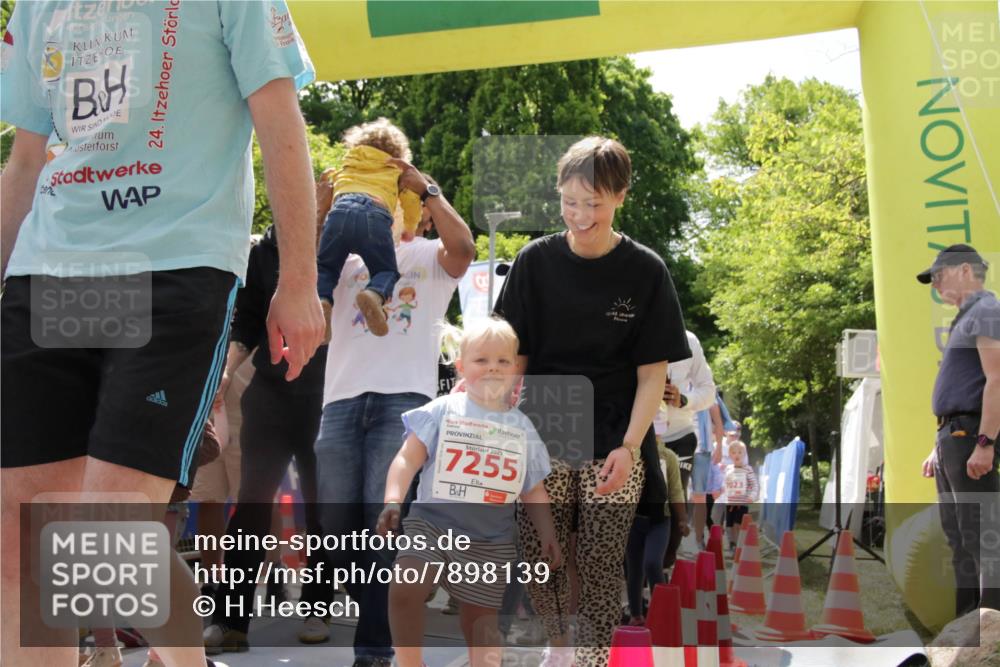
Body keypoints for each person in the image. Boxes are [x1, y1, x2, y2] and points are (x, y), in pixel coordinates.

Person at [0, 2, 324, 666]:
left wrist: (297, 280)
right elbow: (26, 159)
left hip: (175, 266)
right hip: (51, 271)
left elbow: (280, 119)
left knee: (101, 541)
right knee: (21, 541)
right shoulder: (41, 6)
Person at [495, 136, 690, 667]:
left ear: (621, 196)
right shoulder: (533, 263)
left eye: (594, 204)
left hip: (615, 433)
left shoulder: (646, 271)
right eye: (570, 202)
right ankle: (559, 648)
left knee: (602, 559)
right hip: (545, 423)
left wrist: (630, 447)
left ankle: (592, 659)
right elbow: (513, 355)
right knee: (543, 551)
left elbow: (653, 375)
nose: (580, 216)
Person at [314, 165, 475, 667]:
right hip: (339, 401)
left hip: (403, 404)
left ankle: (375, 650)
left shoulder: (427, 254)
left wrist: (426, 188)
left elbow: (465, 249)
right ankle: (379, 626)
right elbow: (302, 261)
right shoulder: (345, 254)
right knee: (336, 528)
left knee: (381, 521)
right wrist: (324, 201)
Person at [377, 318, 562, 667]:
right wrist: (392, 499)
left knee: (481, 622)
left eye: (503, 361)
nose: (492, 367)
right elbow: (406, 459)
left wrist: (548, 533)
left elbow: (533, 489)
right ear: (461, 366)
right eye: (481, 360)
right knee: (405, 587)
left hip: (490, 540)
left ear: (515, 371)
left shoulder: (522, 427)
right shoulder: (441, 410)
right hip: (431, 525)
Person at [202, 218, 333, 654]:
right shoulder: (264, 250)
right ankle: (230, 621)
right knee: (251, 507)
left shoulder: (343, 242)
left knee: (320, 511)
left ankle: (317, 606)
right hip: (269, 394)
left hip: (326, 397)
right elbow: (248, 321)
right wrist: (224, 376)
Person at [917, 243, 1000, 615]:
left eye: (939, 275)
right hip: (954, 436)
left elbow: (997, 379)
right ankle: (966, 629)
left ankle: (991, 633)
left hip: (971, 435)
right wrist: (941, 442)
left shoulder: (986, 309)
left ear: (965, 270)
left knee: (984, 537)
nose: (935, 285)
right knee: (960, 538)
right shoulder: (968, 316)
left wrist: (985, 441)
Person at [316, 118, 424, 336]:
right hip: (375, 215)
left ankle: (322, 302)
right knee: (385, 270)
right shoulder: (395, 171)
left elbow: (328, 185)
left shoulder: (347, 166)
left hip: (339, 214)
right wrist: (410, 227)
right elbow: (411, 200)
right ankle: (374, 294)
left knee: (326, 268)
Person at [660, 331, 717, 549]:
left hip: (680, 435)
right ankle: (643, 568)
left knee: (676, 501)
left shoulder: (689, 340)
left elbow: (708, 391)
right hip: (643, 435)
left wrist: (682, 399)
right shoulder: (634, 330)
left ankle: (666, 564)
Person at [625, 440, 688, 626]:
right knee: (634, 570)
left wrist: (683, 519)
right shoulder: (627, 453)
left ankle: (663, 613)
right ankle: (636, 615)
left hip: (661, 520)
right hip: (633, 520)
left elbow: (676, 490)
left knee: (652, 563)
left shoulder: (668, 456)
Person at [720, 441, 758, 550]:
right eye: (734, 452)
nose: (737, 455)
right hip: (729, 503)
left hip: (742, 503)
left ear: (744, 454)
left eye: (740, 452)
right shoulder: (728, 469)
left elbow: (754, 484)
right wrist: (722, 494)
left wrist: (752, 496)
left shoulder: (748, 469)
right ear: (730, 455)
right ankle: (732, 544)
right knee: (729, 526)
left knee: (738, 525)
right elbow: (724, 484)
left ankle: (739, 546)